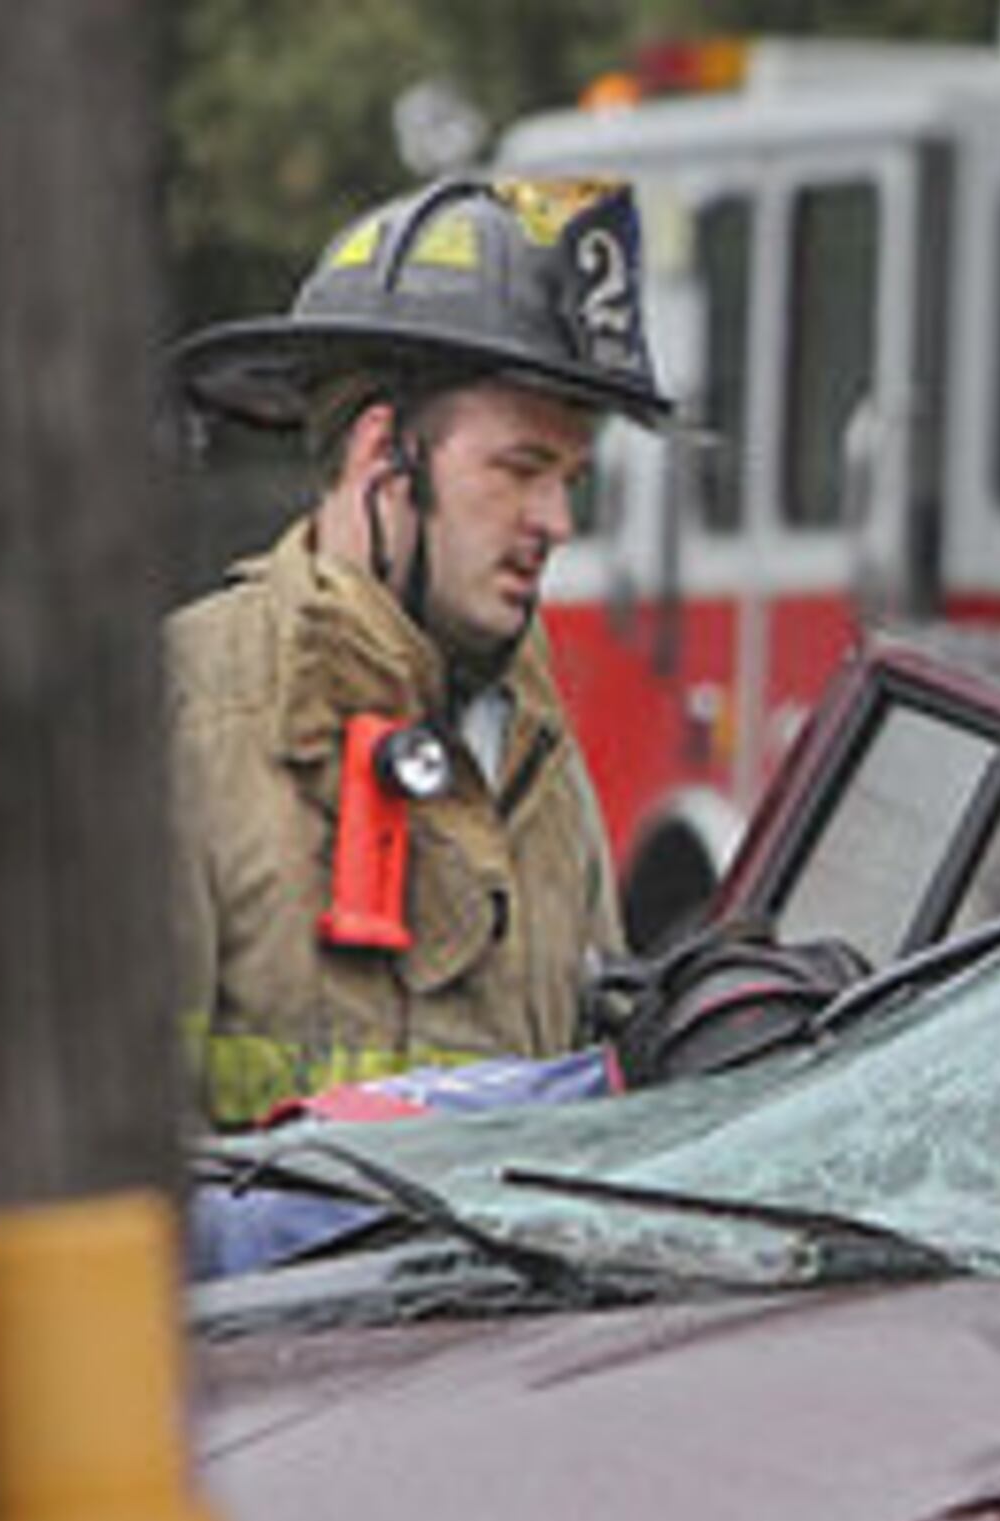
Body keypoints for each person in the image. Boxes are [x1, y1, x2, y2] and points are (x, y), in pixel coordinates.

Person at [166, 176, 668, 1132]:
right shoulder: (190, 717)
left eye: (570, 479)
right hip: (268, 1290)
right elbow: (110, 1168)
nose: (556, 522)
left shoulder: (533, 746)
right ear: (382, 455)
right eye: (520, 469)